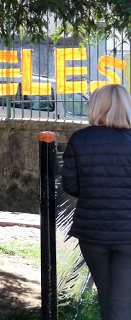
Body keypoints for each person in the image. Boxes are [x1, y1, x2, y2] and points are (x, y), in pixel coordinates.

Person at [62, 84, 131, 320]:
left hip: (92, 233)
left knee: (106, 297)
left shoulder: (79, 140)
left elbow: (70, 185)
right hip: (128, 234)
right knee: (122, 303)